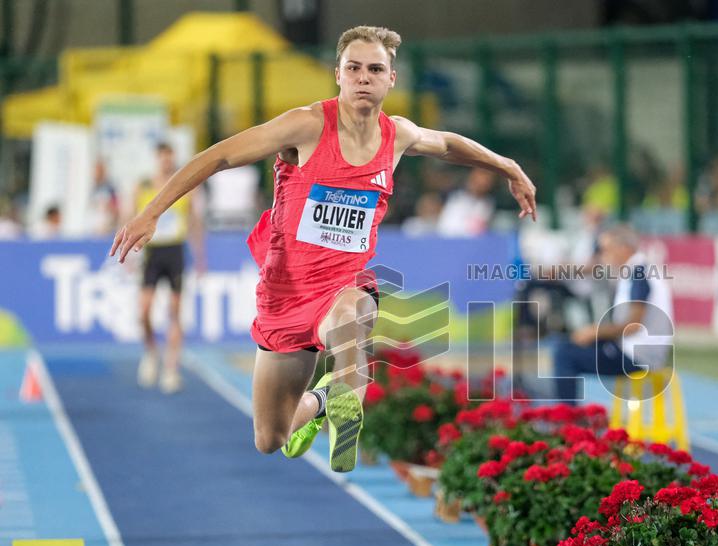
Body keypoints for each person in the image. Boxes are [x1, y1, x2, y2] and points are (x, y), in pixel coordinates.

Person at [110, 25, 536, 472]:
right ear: (338, 74)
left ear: (391, 79)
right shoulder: (307, 124)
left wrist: (508, 166)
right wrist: (153, 211)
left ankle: (345, 406)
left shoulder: (398, 136)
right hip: (284, 294)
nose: (363, 77)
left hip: (342, 286)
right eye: (354, 68)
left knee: (354, 315)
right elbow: (219, 155)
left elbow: (448, 144)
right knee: (269, 437)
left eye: (375, 69)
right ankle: (320, 402)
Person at [552, 225, 673, 403]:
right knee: (569, 343)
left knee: (564, 355)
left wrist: (594, 332)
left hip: (638, 357)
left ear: (623, 249)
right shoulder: (639, 269)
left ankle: (568, 417)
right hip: (639, 351)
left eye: (606, 250)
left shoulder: (638, 273)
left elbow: (633, 324)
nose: (603, 255)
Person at [132, 142, 205, 394]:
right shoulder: (143, 186)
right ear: (157, 158)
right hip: (152, 252)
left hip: (174, 252)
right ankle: (151, 352)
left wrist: (199, 256)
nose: (166, 162)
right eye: (162, 157)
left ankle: (171, 368)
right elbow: (130, 218)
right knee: (143, 311)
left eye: (169, 158)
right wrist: (129, 254)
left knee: (175, 311)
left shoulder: (186, 189)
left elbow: (195, 223)